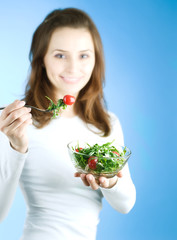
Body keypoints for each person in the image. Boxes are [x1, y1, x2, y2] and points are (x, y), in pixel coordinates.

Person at [0, 8, 136, 240]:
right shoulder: (14, 122)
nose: (73, 68)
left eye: (83, 55)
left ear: (96, 59)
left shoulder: (106, 124)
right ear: (41, 59)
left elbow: (125, 205)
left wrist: (109, 177)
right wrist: (17, 147)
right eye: (60, 55)